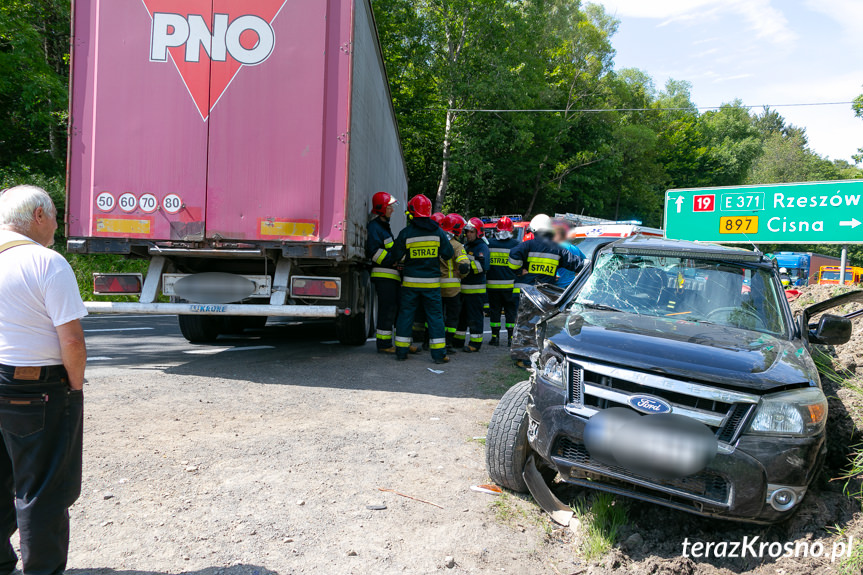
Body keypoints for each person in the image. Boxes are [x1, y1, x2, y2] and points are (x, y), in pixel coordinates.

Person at [0, 185, 88, 575]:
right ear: (38, 216)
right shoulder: (46, 262)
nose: (57, 223)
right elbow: (70, 338)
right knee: (42, 488)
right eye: (54, 214)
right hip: (34, 387)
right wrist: (75, 386)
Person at [384, 195, 454, 363]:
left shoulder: (406, 233)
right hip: (431, 285)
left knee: (406, 315)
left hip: (410, 283)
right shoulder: (438, 232)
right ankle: (439, 355)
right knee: (435, 318)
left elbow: (395, 255)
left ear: (413, 211)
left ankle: (401, 352)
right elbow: (449, 254)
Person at [509, 214, 583, 368]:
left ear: (534, 229)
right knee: (539, 325)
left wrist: (519, 270)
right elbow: (578, 264)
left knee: (523, 324)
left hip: (526, 291)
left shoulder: (527, 245)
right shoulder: (558, 249)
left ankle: (520, 356)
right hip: (544, 294)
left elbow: (513, 256)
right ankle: (532, 356)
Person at [367, 191, 401, 353]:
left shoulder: (382, 227)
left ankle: (386, 343)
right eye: (389, 207)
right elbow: (373, 252)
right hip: (383, 275)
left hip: (389, 276)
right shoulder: (375, 228)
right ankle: (384, 345)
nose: (392, 210)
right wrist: (392, 260)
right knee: (386, 309)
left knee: (390, 309)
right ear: (381, 209)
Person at [455, 218, 490, 352]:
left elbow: (483, 266)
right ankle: (458, 341)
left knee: (475, 318)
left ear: (478, 232)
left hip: (475, 290)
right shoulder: (466, 246)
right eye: (467, 231)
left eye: (471, 231)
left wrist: (466, 264)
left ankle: (475, 344)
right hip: (463, 289)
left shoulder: (482, 247)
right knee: (461, 318)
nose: (468, 234)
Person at [439, 214, 471, 354]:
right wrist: (461, 274)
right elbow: (464, 266)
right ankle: (448, 344)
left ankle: (431, 341)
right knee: (452, 317)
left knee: (436, 315)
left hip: (435, 286)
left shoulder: (436, 242)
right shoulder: (457, 246)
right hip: (452, 288)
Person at [486, 216, 519, 347]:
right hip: (510, 286)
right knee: (511, 312)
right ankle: (511, 338)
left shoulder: (489, 244)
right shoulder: (516, 245)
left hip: (492, 286)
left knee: (495, 311)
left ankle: (495, 338)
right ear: (511, 230)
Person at [553, 222, 585, 289]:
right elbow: (585, 263)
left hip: (556, 286)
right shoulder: (576, 248)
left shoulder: (556, 247)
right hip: (571, 287)